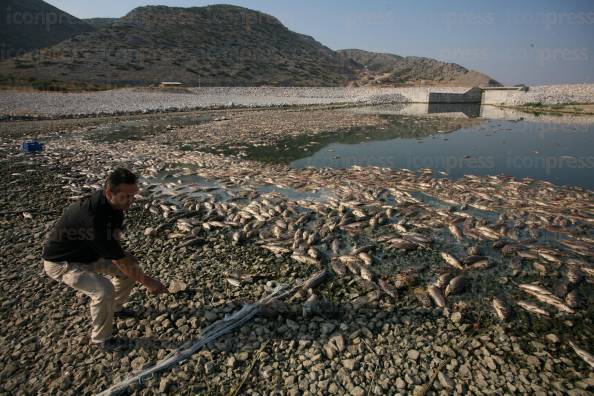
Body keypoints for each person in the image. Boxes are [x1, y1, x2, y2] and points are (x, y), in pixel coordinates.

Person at [42, 168, 167, 349]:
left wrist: (124, 255)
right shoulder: (92, 218)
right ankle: (101, 339)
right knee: (103, 290)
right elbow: (117, 258)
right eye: (126, 197)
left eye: (133, 196)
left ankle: (114, 308)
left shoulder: (116, 207)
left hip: (90, 254)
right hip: (62, 262)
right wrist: (149, 282)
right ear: (109, 193)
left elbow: (114, 240)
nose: (131, 202)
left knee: (130, 270)